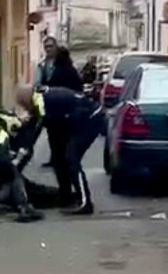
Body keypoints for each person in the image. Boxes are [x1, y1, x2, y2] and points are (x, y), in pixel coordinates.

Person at [14, 84, 105, 215]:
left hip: (90, 118)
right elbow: (45, 133)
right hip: (74, 119)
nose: (26, 110)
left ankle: (86, 203)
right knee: (58, 156)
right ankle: (66, 196)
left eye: (24, 106)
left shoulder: (41, 103)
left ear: (27, 101)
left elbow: (32, 136)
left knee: (71, 157)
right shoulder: (41, 99)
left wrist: (17, 166)